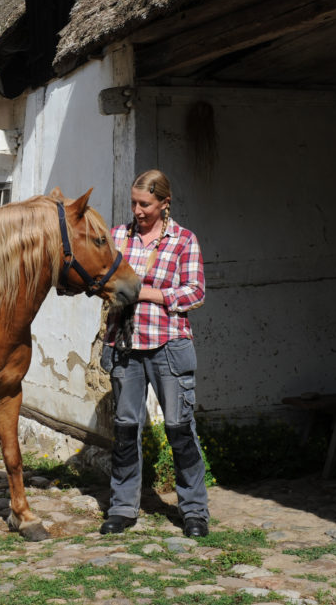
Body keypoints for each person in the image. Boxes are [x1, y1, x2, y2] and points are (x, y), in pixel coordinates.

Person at [99, 169, 209, 538]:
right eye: (133, 203)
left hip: (169, 346)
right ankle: (122, 508)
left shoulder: (184, 241)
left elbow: (195, 293)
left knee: (180, 430)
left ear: (164, 203)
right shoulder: (117, 236)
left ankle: (194, 512)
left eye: (145, 204)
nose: (137, 210)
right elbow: (102, 280)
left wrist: (145, 294)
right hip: (125, 345)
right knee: (126, 431)